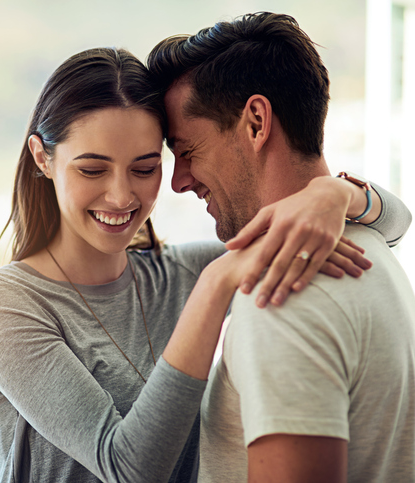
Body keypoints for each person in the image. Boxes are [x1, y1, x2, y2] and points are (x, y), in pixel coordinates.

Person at [0, 47, 409, 483]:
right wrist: (215, 285)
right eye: (92, 170)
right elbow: (126, 469)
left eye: (145, 167)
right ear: (43, 157)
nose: (121, 196)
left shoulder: (184, 271)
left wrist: (336, 193)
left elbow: (396, 225)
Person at [148, 12, 415, 482]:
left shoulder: (280, 297)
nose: (179, 181)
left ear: (255, 122)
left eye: (188, 151)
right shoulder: (369, 242)